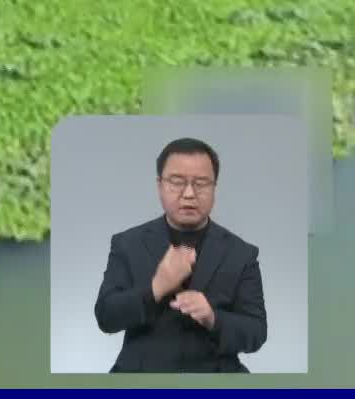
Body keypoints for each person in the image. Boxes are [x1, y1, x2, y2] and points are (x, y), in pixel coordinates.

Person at [93, 137, 266, 372]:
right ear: (160, 185)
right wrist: (156, 288)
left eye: (202, 183)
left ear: (214, 187)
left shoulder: (241, 253)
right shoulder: (127, 243)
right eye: (176, 182)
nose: (189, 194)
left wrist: (212, 317)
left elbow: (256, 332)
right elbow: (106, 316)